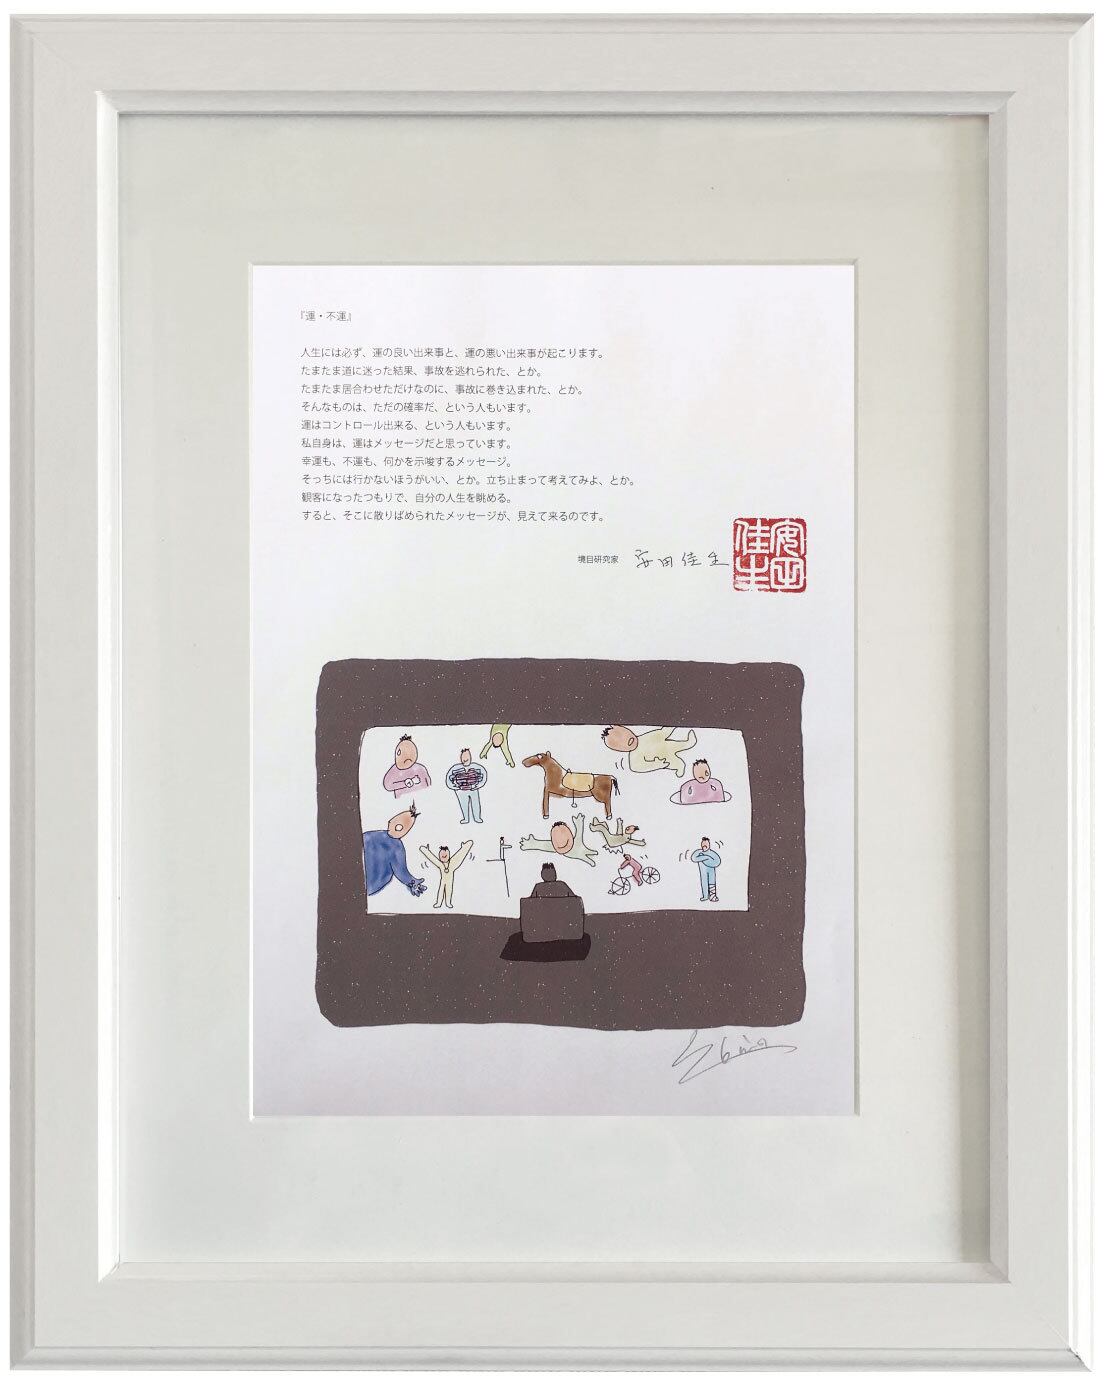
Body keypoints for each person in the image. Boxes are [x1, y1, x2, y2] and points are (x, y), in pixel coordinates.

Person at [362, 804, 426, 897]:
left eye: (400, 826)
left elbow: (401, 871)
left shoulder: (396, 847)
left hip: (370, 883)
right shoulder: (370, 836)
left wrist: (412, 883)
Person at [602, 724, 697, 776]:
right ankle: (680, 767)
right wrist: (658, 764)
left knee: (680, 745)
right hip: (664, 759)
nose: (625, 740)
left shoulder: (644, 737)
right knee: (678, 763)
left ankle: (688, 743)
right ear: (619, 750)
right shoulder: (634, 760)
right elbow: (641, 767)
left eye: (622, 734)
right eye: (619, 743)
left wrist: (671, 726)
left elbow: (662, 733)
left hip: (666, 746)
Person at [519, 813, 598, 867]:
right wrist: (530, 844)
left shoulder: (576, 842)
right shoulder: (554, 843)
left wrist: (579, 823)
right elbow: (542, 845)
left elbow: (579, 830)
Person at [418, 839, 473, 910]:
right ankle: (439, 903)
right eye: (442, 855)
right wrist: (425, 850)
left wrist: (465, 846)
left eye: (445, 855)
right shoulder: (441, 864)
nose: (444, 856)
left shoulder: (452, 864)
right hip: (443, 880)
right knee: (441, 890)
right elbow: (432, 858)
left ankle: (448, 903)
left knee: (449, 890)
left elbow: (460, 855)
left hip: (449, 880)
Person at [445, 747, 487, 823]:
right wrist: (456, 787)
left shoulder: (477, 767)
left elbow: (484, 776)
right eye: (463, 757)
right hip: (461, 791)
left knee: (475, 803)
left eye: (467, 756)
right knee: (463, 804)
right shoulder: (455, 768)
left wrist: (477, 786)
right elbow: (448, 780)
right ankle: (466, 818)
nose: (465, 759)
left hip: (473, 789)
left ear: (470, 757)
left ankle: (477, 817)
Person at [691, 836, 722, 902]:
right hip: (703, 872)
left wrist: (706, 858)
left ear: (709, 845)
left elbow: (717, 862)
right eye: (703, 845)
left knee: (712, 882)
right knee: (704, 883)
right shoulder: (699, 852)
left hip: (711, 871)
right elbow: (693, 858)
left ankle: (713, 896)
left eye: (706, 845)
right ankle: (705, 896)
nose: (704, 846)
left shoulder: (711, 853)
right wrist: (706, 857)